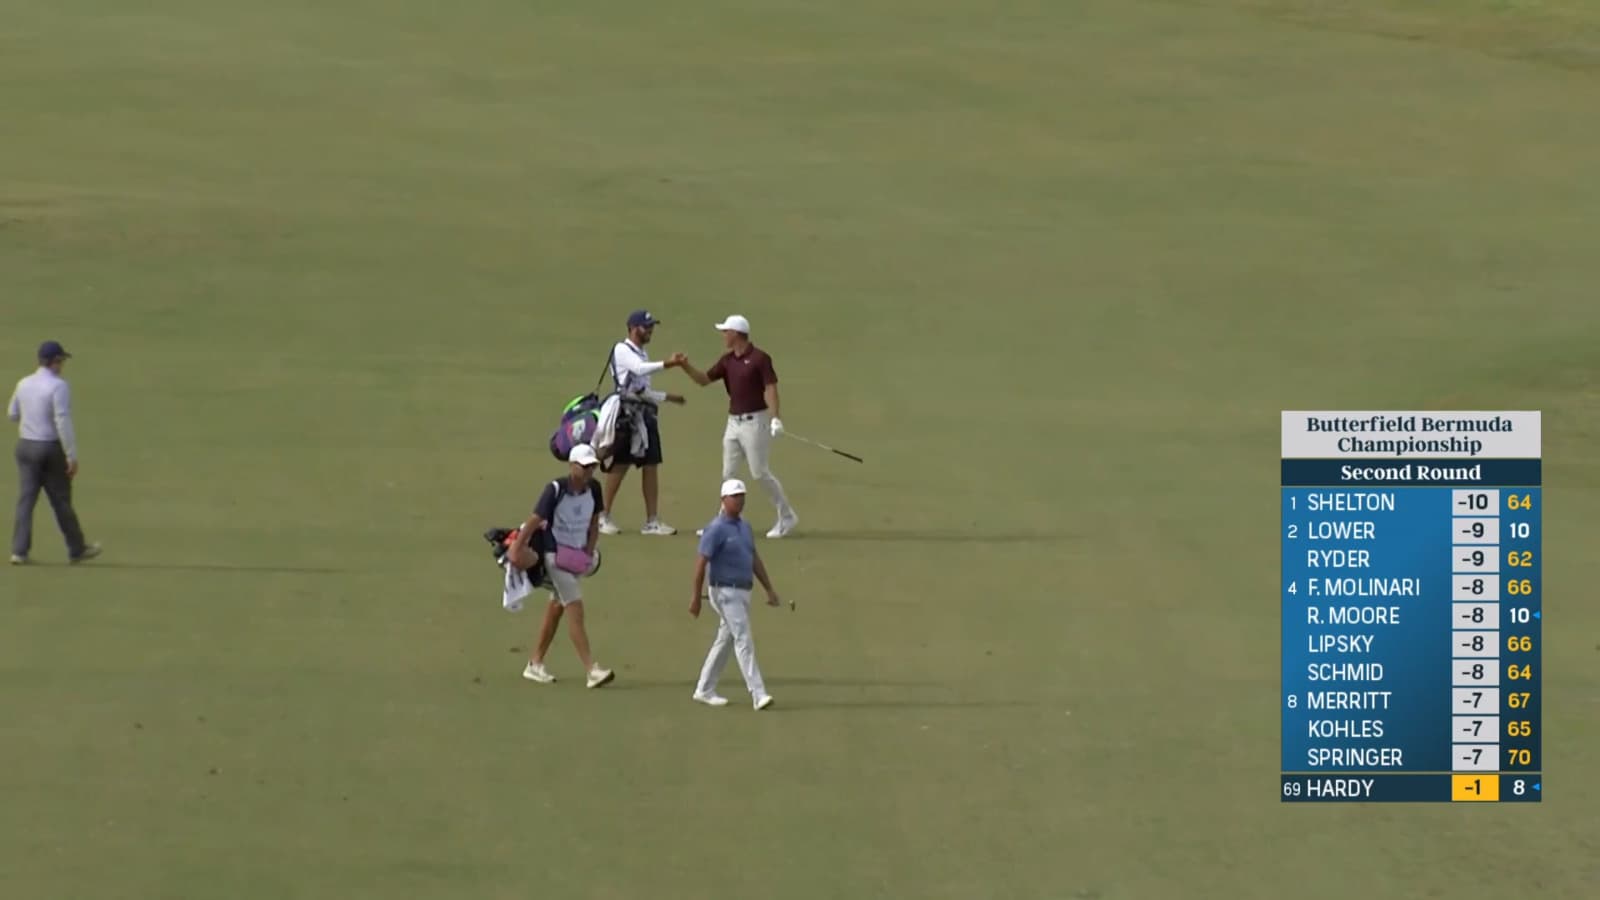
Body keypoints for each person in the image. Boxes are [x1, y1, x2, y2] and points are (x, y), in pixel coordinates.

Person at [679, 315, 798, 538]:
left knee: (759, 473)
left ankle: (787, 516)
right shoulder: (727, 361)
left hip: (756, 422)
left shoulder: (760, 359)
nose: (723, 335)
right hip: (733, 423)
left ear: (736, 333)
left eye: (726, 331)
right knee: (728, 474)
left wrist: (775, 418)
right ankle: (722, 522)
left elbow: (770, 388)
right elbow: (704, 380)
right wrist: (685, 366)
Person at [513, 444, 615, 688]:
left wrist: (589, 551)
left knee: (557, 606)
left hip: (576, 556)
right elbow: (534, 520)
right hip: (554, 556)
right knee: (575, 608)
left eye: (592, 466)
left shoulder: (594, 488)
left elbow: (593, 522)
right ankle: (592, 670)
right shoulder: (555, 489)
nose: (590, 470)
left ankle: (535, 663)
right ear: (572, 466)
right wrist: (517, 547)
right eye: (584, 466)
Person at [689, 478, 779, 710]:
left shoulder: (745, 527)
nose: (740, 501)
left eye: (742, 496)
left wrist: (768, 588)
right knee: (743, 639)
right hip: (724, 591)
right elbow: (701, 564)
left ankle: (704, 689)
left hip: (743, 591)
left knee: (726, 639)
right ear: (723, 500)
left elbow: (753, 559)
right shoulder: (715, 529)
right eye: (735, 497)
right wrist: (695, 598)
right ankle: (758, 694)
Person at [9, 340, 100, 565]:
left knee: (26, 500)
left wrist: (31, 418)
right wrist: (71, 454)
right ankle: (76, 549)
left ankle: (19, 551)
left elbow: (12, 414)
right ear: (54, 361)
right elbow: (62, 420)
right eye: (61, 361)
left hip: (25, 446)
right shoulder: (59, 386)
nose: (62, 365)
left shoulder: (23, 383)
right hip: (48, 448)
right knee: (60, 500)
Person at [599, 309, 686, 536]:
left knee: (651, 465)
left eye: (651, 327)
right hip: (626, 415)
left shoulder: (643, 353)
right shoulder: (622, 349)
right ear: (632, 328)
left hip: (644, 414)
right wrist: (668, 363)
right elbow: (638, 371)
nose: (650, 331)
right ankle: (603, 516)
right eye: (646, 327)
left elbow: (643, 390)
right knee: (620, 465)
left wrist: (667, 398)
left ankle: (652, 521)